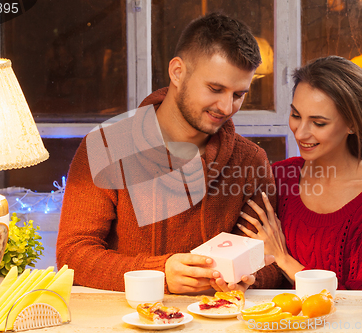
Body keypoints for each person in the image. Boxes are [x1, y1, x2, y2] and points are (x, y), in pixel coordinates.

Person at [56, 13, 283, 294]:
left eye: (238, 95)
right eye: (215, 89)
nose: (226, 107)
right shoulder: (105, 147)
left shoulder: (251, 161)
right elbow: (72, 257)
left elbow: (272, 265)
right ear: (177, 72)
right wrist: (160, 273)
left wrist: (250, 277)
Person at [238, 56, 362, 290]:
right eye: (296, 115)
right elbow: (257, 261)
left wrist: (283, 259)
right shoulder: (279, 176)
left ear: (353, 124)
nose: (300, 133)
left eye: (318, 123)